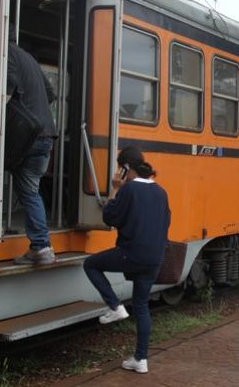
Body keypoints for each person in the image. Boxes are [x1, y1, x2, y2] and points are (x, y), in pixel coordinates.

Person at [83, 147, 171, 374]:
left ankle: (115, 306)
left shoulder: (129, 189)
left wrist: (114, 189)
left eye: (119, 167)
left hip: (131, 253)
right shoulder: (161, 192)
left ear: (125, 168)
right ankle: (141, 359)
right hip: (155, 258)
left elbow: (110, 217)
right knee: (142, 305)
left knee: (91, 264)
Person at [8, 42, 59, 265]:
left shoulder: (7, 52)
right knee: (31, 188)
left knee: (28, 190)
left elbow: (5, 89)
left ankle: (41, 246)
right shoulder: (28, 57)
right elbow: (50, 93)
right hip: (46, 134)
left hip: (28, 135)